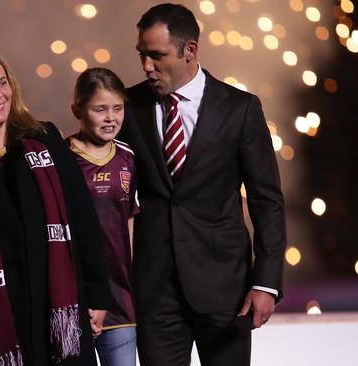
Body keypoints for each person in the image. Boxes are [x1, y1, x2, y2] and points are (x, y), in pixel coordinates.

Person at [117, 4, 287, 365]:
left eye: (157, 55)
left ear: (190, 50)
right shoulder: (128, 107)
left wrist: (266, 282)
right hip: (154, 290)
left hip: (227, 291)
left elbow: (267, 200)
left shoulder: (240, 109)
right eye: (142, 55)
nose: (147, 65)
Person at [0, 47, 111, 366]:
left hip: (53, 292)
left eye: (2, 83)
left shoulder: (44, 138)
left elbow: (82, 217)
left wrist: (97, 294)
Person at [66, 68, 139, 366]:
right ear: (78, 110)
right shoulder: (60, 158)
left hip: (119, 300)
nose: (111, 117)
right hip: (74, 298)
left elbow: (129, 222)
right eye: (100, 109)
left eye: (117, 108)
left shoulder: (128, 158)